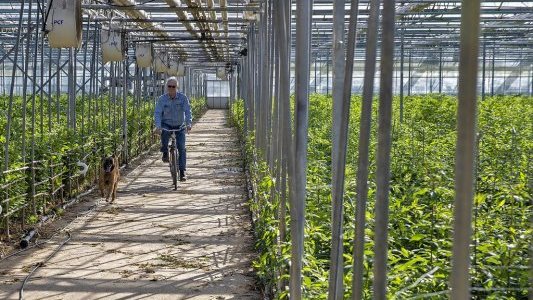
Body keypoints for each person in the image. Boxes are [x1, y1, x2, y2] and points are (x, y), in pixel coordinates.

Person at [154, 77, 192, 181]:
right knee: (164, 132)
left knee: (182, 148)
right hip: (167, 124)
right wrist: (158, 126)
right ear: (166, 87)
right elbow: (157, 113)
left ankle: (182, 172)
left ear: (177, 87)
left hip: (179, 126)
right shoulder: (162, 99)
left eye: (173, 86)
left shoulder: (183, 98)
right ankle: (165, 151)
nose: (171, 88)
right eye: (169, 86)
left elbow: (188, 111)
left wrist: (189, 124)